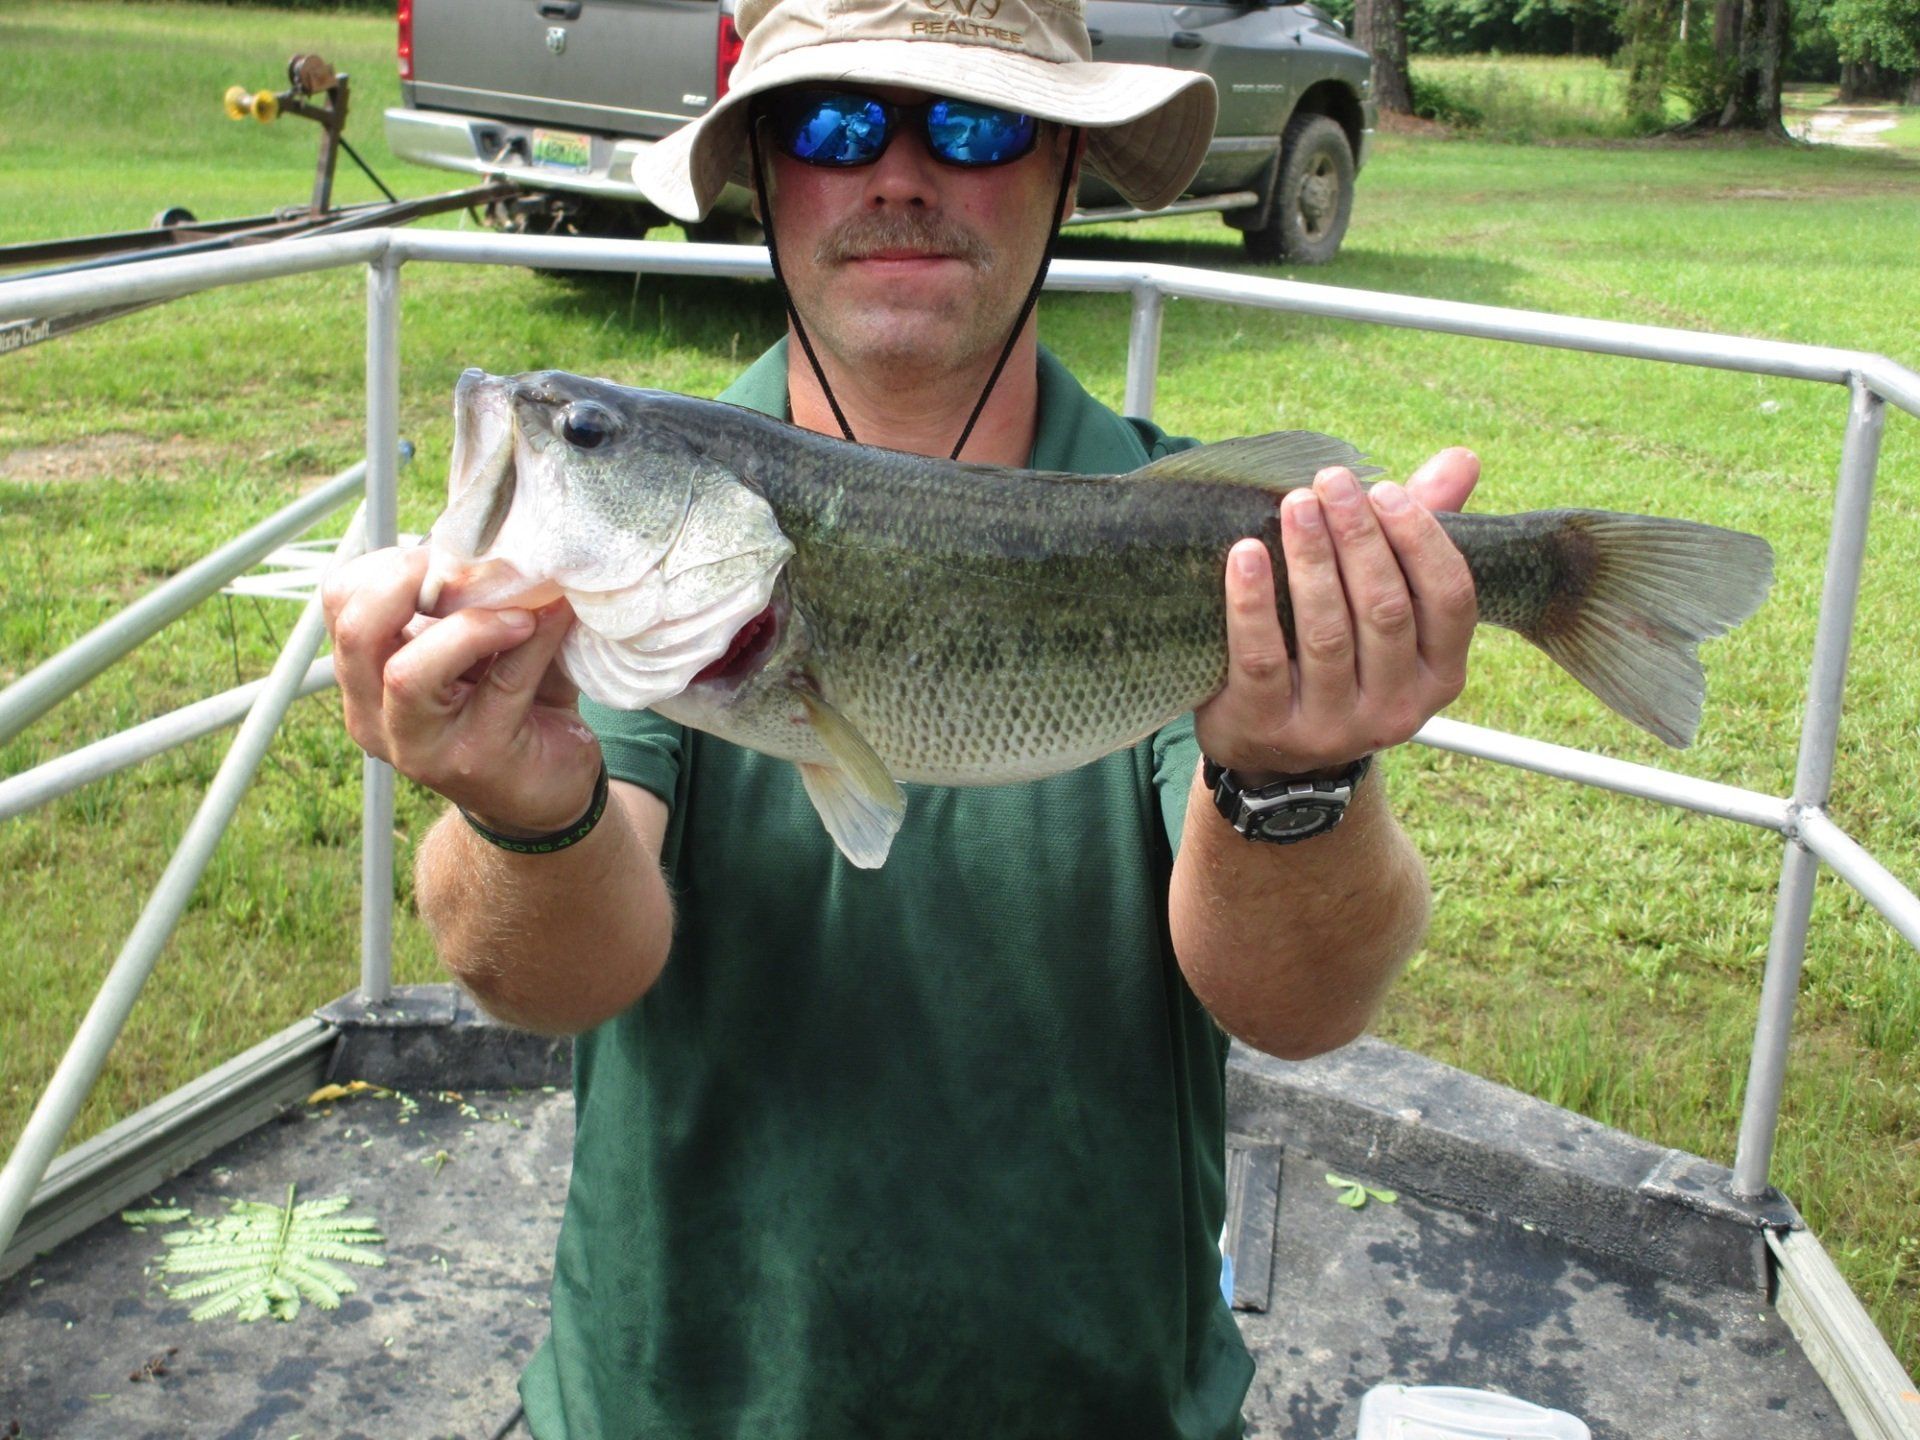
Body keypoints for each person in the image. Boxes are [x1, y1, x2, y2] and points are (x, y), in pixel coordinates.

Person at [321, 0, 1480, 1432]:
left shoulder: (1200, 548)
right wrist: (520, 801)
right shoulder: (660, 585)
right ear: (763, 171)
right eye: (836, 122)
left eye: (978, 122)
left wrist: (1292, 785)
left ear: (1067, 166)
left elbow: (1300, 1010)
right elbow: (555, 978)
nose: (899, 175)